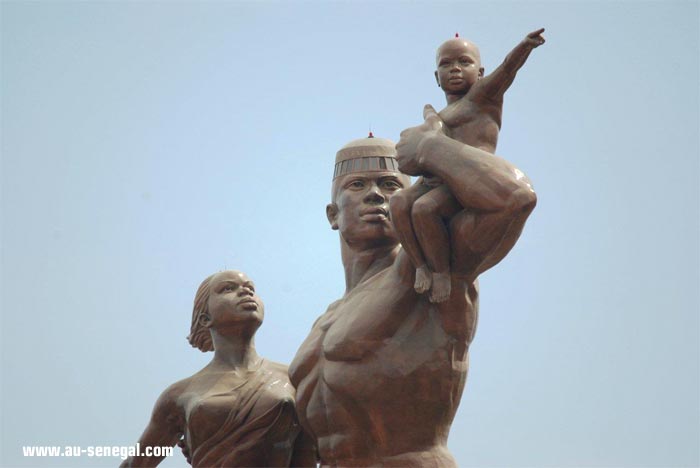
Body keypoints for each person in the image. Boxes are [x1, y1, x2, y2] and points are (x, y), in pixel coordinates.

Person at [289, 111, 536, 466]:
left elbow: (515, 198)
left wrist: (432, 148)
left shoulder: (436, 266)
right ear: (333, 214)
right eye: (357, 185)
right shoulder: (321, 325)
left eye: (390, 185)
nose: (376, 195)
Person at [389, 29, 545, 303]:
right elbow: (430, 127)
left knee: (425, 209)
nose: (455, 69)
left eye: (464, 62)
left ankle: (440, 273)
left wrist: (524, 47)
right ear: (437, 77)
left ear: (480, 72)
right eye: (446, 64)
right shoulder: (440, 114)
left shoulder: (483, 96)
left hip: (465, 179)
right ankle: (421, 267)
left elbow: (507, 71)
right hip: (435, 177)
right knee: (400, 203)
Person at [121, 270, 315, 467]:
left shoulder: (294, 378)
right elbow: (137, 463)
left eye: (250, 288)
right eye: (228, 288)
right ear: (205, 318)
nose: (245, 292)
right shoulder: (179, 395)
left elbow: (317, 451)